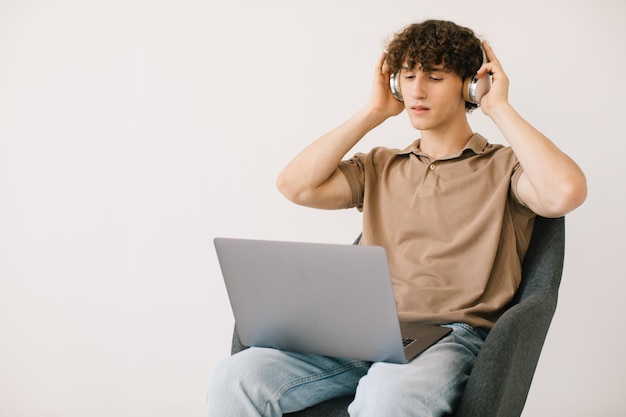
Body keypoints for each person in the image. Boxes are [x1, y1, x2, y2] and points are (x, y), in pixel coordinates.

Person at [207, 19, 587, 417]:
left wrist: (498, 107)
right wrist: (373, 112)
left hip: (450, 337)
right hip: (361, 333)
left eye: (435, 77)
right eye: (407, 76)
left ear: (469, 85)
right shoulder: (380, 165)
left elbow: (565, 192)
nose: (417, 91)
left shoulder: (505, 167)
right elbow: (294, 186)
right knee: (233, 380)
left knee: (386, 396)